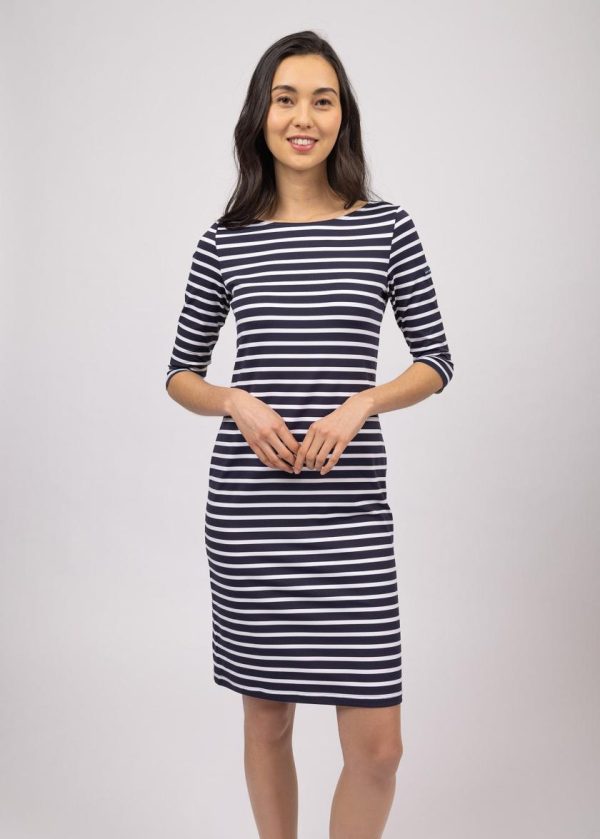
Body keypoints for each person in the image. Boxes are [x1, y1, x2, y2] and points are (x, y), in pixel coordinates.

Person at [165, 29, 454, 839]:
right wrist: (234, 401)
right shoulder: (226, 240)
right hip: (253, 510)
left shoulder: (387, 229)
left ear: (342, 117)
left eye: (322, 100)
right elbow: (181, 373)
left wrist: (362, 403)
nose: (303, 117)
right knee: (268, 721)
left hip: (349, 509)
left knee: (379, 750)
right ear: (260, 115)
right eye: (285, 99)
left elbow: (435, 359)